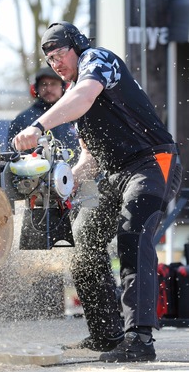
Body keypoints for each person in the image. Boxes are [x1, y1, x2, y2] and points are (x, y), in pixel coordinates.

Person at [13, 21, 183, 363]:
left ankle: (139, 338)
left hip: (153, 162)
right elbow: (90, 157)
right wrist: (67, 180)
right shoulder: (73, 89)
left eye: (60, 54)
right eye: (49, 59)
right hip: (116, 172)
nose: (55, 63)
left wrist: (39, 125)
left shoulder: (97, 61)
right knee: (84, 239)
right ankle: (107, 333)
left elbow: (85, 95)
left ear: (76, 46)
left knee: (133, 234)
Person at [7, 66, 78, 154]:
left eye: (53, 84)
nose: (48, 89)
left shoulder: (77, 113)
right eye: (44, 84)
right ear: (35, 88)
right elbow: (12, 157)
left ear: (64, 87)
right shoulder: (22, 119)